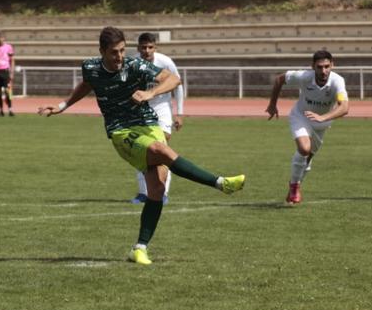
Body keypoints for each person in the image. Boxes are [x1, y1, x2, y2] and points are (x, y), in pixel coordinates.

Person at [38, 26, 245, 265]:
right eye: (114, 52)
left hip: (149, 124)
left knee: (156, 188)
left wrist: (151, 93)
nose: (119, 57)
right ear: (102, 51)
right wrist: (62, 106)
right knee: (161, 150)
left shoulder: (134, 66)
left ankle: (139, 248)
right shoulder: (91, 67)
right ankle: (220, 183)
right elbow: (87, 84)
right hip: (121, 131)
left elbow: (173, 79)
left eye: (123, 51)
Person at [266, 50, 349, 205]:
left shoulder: (338, 81)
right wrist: (272, 104)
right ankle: (294, 186)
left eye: (326, 66)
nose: (323, 71)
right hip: (301, 116)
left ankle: (294, 185)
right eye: (319, 67)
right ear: (313, 67)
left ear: (332, 65)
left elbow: (344, 107)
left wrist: (323, 117)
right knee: (304, 149)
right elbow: (279, 80)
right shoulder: (304, 77)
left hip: (322, 123)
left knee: (308, 157)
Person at [130, 32, 184, 205]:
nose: (146, 50)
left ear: (156, 47)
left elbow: (178, 85)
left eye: (150, 47)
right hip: (140, 110)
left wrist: (179, 113)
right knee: (140, 150)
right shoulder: (132, 63)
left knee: (160, 149)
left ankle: (162, 193)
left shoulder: (165, 62)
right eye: (143, 47)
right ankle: (143, 193)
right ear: (138, 48)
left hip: (162, 109)